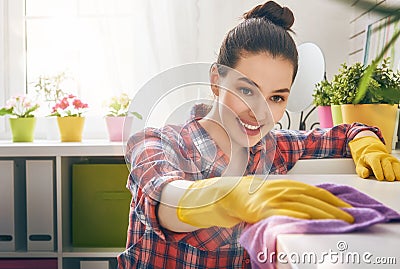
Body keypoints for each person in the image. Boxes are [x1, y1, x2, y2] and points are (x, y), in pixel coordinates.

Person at [118, 1, 400, 268]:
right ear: (216, 80)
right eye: (246, 90)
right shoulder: (158, 142)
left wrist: (366, 142)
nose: (260, 112)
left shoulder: (273, 148)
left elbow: (345, 133)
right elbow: (164, 200)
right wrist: (226, 197)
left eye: (276, 98)